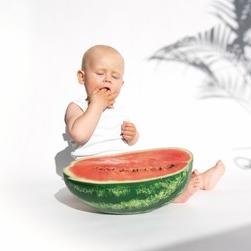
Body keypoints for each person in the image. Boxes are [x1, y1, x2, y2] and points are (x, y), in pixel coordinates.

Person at [64, 44, 225, 203]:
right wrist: (97, 105)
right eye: (100, 73)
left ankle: (202, 180)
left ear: (122, 84)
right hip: (96, 174)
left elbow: (130, 142)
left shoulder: (119, 110)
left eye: (115, 77)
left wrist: (132, 135)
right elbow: (79, 135)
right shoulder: (77, 107)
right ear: (82, 77)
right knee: (141, 185)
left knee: (156, 165)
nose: (108, 79)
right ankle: (177, 196)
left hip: (123, 166)